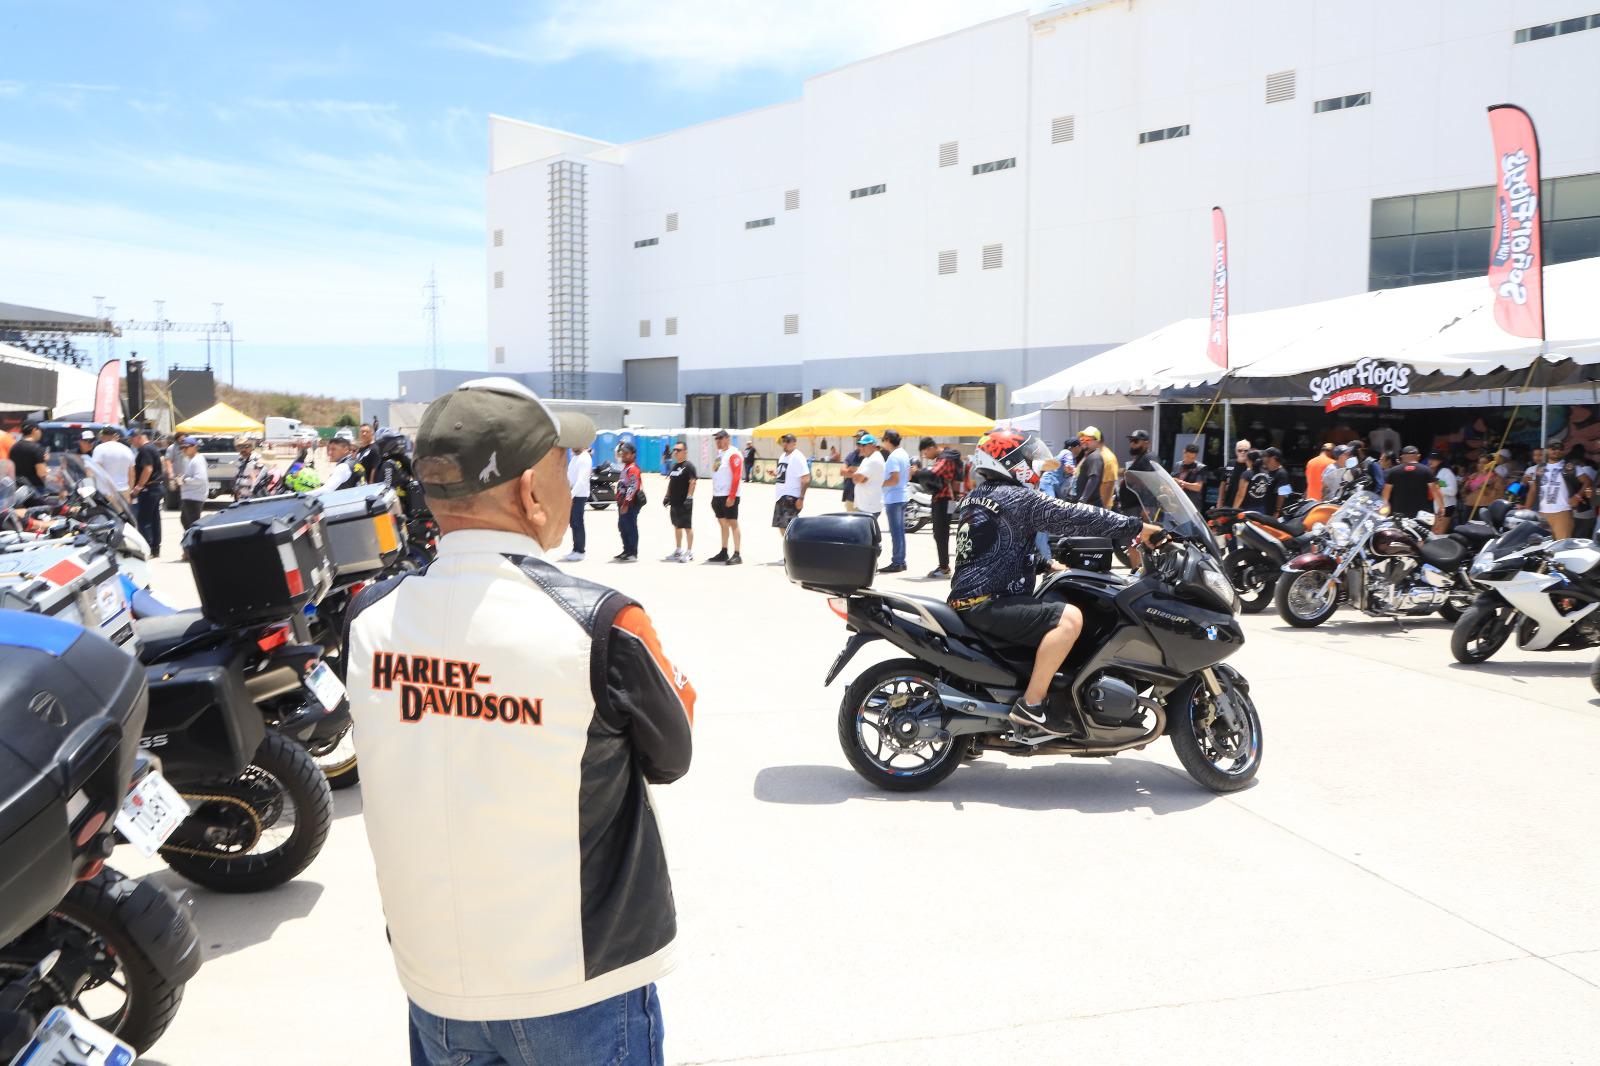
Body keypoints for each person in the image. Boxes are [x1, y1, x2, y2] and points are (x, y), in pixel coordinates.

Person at [342, 378, 693, 1066]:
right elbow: (672, 753)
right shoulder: (602, 623)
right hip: (577, 988)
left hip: (434, 986)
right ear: (531, 489)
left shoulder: (368, 619)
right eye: (564, 463)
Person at [949, 431, 1160, 737]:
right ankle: (1032, 705)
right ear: (1010, 462)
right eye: (1027, 459)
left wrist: (1044, 564)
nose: (1033, 465)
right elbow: (1075, 516)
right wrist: (1137, 527)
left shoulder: (978, 496)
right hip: (989, 602)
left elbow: (992, 549)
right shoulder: (1017, 497)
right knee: (1069, 619)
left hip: (972, 599)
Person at [921, 438, 964, 578]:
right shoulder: (947, 456)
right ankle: (943, 566)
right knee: (941, 533)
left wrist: (917, 473)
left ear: (930, 448)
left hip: (944, 501)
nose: (925, 456)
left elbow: (934, 473)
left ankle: (944, 568)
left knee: (941, 533)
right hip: (948, 500)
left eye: (925, 453)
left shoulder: (945, 459)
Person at [1527, 441, 1586, 539]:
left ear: (1563, 451)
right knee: (1541, 545)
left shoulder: (1570, 467)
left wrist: (1578, 496)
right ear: (1547, 450)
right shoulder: (1540, 468)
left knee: (1561, 545)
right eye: (1553, 448)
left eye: (1560, 448)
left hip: (1562, 513)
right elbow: (1533, 489)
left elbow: (1587, 482)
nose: (1556, 451)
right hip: (1541, 514)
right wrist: (1527, 508)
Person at [707, 429, 743, 564]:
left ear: (728, 439)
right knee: (723, 524)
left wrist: (732, 496)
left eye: (720, 438)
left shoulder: (733, 454)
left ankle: (737, 554)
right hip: (718, 495)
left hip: (729, 495)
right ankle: (724, 551)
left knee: (733, 523)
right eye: (716, 439)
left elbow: (736, 475)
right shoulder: (720, 454)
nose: (718, 441)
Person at [127, 426, 164, 557]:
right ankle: (155, 548)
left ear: (138, 437)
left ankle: (147, 548)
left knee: (144, 521)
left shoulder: (145, 449)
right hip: (155, 488)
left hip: (149, 489)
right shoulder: (151, 447)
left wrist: (138, 486)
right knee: (154, 520)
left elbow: (148, 469)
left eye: (131, 439)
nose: (131, 442)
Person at [879, 429, 910, 573]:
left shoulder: (893, 457)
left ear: (887, 440)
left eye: (883, 440)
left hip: (894, 498)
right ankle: (900, 561)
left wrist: (878, 483)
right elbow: (907, 476)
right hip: (902, 496)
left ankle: (897, 562)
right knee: (900, 532)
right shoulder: (903, 454)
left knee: (896, 532)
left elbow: (894, 479)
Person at [663, 441, 697, 561]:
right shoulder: (674, 466)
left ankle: (689, 552)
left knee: (687, 527)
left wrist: (689, 497)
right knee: (677, 526)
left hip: (684, 502)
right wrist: (667, 496)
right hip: (674, 502)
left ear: (685, 451)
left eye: (678, 450)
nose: (675, 452)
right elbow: (671, 482)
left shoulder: (689, 466)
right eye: (674, 450)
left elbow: (693, 482)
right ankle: (678, 550)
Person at [772, 433, 810, 535]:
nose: (785, 443)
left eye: (788, 441)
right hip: (780, 497)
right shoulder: (783, 456)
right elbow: (784, 473)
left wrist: (801, 498)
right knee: (782, 527)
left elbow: (806, 479)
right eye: (783, 441)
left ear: (794, 443)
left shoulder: (798, 457)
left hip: (791, 497)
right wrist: (775, 473)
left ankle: (796, 544)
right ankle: (792, 544)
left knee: (789, 528)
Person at [851, 431, 886, 536]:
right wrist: (859, 477)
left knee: (865, 537)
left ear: (872, 445)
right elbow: (858, 478)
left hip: (869, 506)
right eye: (860, 445)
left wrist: (857, 476)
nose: (860, 447)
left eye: (864, 445)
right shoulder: (868, 458)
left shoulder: (874, 460)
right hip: (866, 505)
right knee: (866, 536)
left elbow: (857, 479)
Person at [614, 441, 641, 562]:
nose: (623, 455)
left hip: (630, 504)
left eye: (626, 453)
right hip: (623, 503)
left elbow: (633, 487)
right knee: (623, 527)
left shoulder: (633, 469)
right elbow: (616, 454)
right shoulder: (626, 466)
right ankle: (626, 550)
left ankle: (632, 553)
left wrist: (625, 504)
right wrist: (619, 445)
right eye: (622, 453)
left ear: (633, 455)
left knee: (630, 527)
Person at [1244, 447, 1292, 516]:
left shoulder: (1282, 473)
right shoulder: (1266, 471)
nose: (1262, 458)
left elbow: (1283, 494)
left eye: (1265, 456)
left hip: (1275, 511)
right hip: (1265, 509)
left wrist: (1277, 511)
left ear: (1273, 458)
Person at [312, 429, 361, 495]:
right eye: (329, 449)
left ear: (345, 450)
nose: (330, 453)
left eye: (334, 449)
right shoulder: (354, 462)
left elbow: (326, 490)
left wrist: (303, 495)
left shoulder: (343, 467)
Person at [176, 437, 208, 538]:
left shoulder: (197, 460)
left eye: (186, 447)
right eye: (182, 448)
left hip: (194, 497)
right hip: (189, 496)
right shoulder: (190, 459)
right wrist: (182, 478)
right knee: (185, 521)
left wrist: (184, 480)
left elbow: (200, 478)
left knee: (192, 524)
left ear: (194, 447)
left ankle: (194, 544)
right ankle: (191, 543)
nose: (183, 450)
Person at [91, 427, 135, 498]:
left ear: (103, 436)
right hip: (124, 491)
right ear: (115, 435)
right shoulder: (127, 450)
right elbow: (132, 474)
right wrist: (129, 492)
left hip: (106, 493)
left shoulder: (99, 449)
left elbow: (95, 470)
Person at [1070, 428, 1106, 506]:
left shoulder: (1095, 457)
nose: (1084, 442)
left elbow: (1093, 478)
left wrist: (1083, 500)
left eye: (1088, 439)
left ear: (1097, 441)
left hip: (1089, 505)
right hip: (1084, 504)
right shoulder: (1087, 456)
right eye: (1082, 439)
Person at [1569, 446, 1598, 538]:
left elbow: (1588, 490)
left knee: (1578, 539)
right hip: (1592, 511)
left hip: (1581, 511)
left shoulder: (1581, 472)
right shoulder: (1594, 470)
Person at [10, 421, 46, 493]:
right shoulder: (37, 448)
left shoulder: (14, 447)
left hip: (19, 488)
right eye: (40, 430)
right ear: (34, 430)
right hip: (35, 488)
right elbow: (42, 473)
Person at [1428, 451, 1459, 531]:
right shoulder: (1432, 472)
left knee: (1438, 533)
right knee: (1434, 532)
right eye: (1430, 459)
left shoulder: (1446, 472)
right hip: (1436, 507)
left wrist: (1436, 488)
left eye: (1434, 459)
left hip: (1446, 506)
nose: (1431, 461)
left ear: (1440, 461)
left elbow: (1453, 491)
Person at [1174, 443, 1208, 512]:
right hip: (1177, 502)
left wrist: (1182, 483)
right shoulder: (1178, 465)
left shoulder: (1200, 468)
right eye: (1187, 456)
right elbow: (1173, 478)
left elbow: (1198, 487)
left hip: (1192, 504)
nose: (1189, 460)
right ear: (1184, 452)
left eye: (1192, 458)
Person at [1219, 439, 1252, 512]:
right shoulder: (1230, 463)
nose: (1243, 452)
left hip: (1245, 505)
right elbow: (1223, 483)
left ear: (1249, 451)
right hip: (1228, 502)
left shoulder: (1251, 466)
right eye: (1240, 450)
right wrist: (1220, 501)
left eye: (1246, 450)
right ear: (1236, 451)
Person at [840, 430, 866, 512]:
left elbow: (867, 476)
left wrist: (851, 470)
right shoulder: (852, 455)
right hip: (850, 497)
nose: (858, 441)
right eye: (857, 439)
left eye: (860, 439)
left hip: (864, 498)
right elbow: (842, 472)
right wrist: (858, 473)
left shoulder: (870, 457)